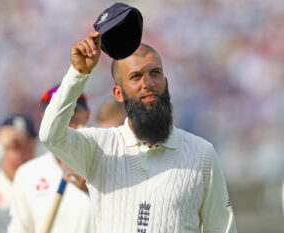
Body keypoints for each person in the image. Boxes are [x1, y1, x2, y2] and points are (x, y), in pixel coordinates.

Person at [39, 31, 237, 233]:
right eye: (136, 76)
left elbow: (223, 229)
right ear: (118, 93)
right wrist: (78, 73)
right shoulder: (99, 147)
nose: (148, 84)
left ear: (166, 82)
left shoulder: (202, 154)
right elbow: (50, 135)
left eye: (155, 73)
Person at [7, 86, 92, 233]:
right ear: (43, 118)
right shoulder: (27, 174)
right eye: (58, 114)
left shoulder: (106, 163)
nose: (65, 122)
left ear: (87, 116)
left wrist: (93, 190)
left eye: (73, 113)